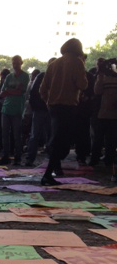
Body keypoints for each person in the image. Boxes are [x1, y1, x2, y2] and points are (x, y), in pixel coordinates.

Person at [39, 38, 88, 185]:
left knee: (57, 139)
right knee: (63, 142)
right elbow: (83, 85)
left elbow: (42, 89)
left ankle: (51, 172)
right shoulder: (77, 63)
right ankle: (48, 174)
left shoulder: (54, 64)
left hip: (54, 107)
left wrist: (48, 102)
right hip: (68, 107)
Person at [0, 55, 29, 165]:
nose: (15, 64)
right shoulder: (9, 77)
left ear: (21, 62)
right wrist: (14, 90)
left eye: (17, 62)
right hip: (5, 109)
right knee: (5, 134)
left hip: (17, 110)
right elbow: (2, 94)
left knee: (17, 135)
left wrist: (9, 91)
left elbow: (21, 92)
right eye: (13, 62)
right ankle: (6, 156)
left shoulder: (25, 76)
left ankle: (17, 157)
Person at [24, 60, 54, 166]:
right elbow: (33, 93)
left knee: (48, 135)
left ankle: (51, 159)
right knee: (36, 135)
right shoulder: (42, 76)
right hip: (42, 109)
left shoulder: (53, 77)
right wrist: (36, 107)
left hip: (48, 110)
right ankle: (30, 158)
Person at [91, 59, 117, 181]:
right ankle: (104, 160)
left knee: (103, 139)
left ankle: (99, 160)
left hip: (106, 114)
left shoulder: (104, 78)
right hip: (105, 113)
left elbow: (97, 91)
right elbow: (97, 91)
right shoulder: (103, 78)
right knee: (103, 139)